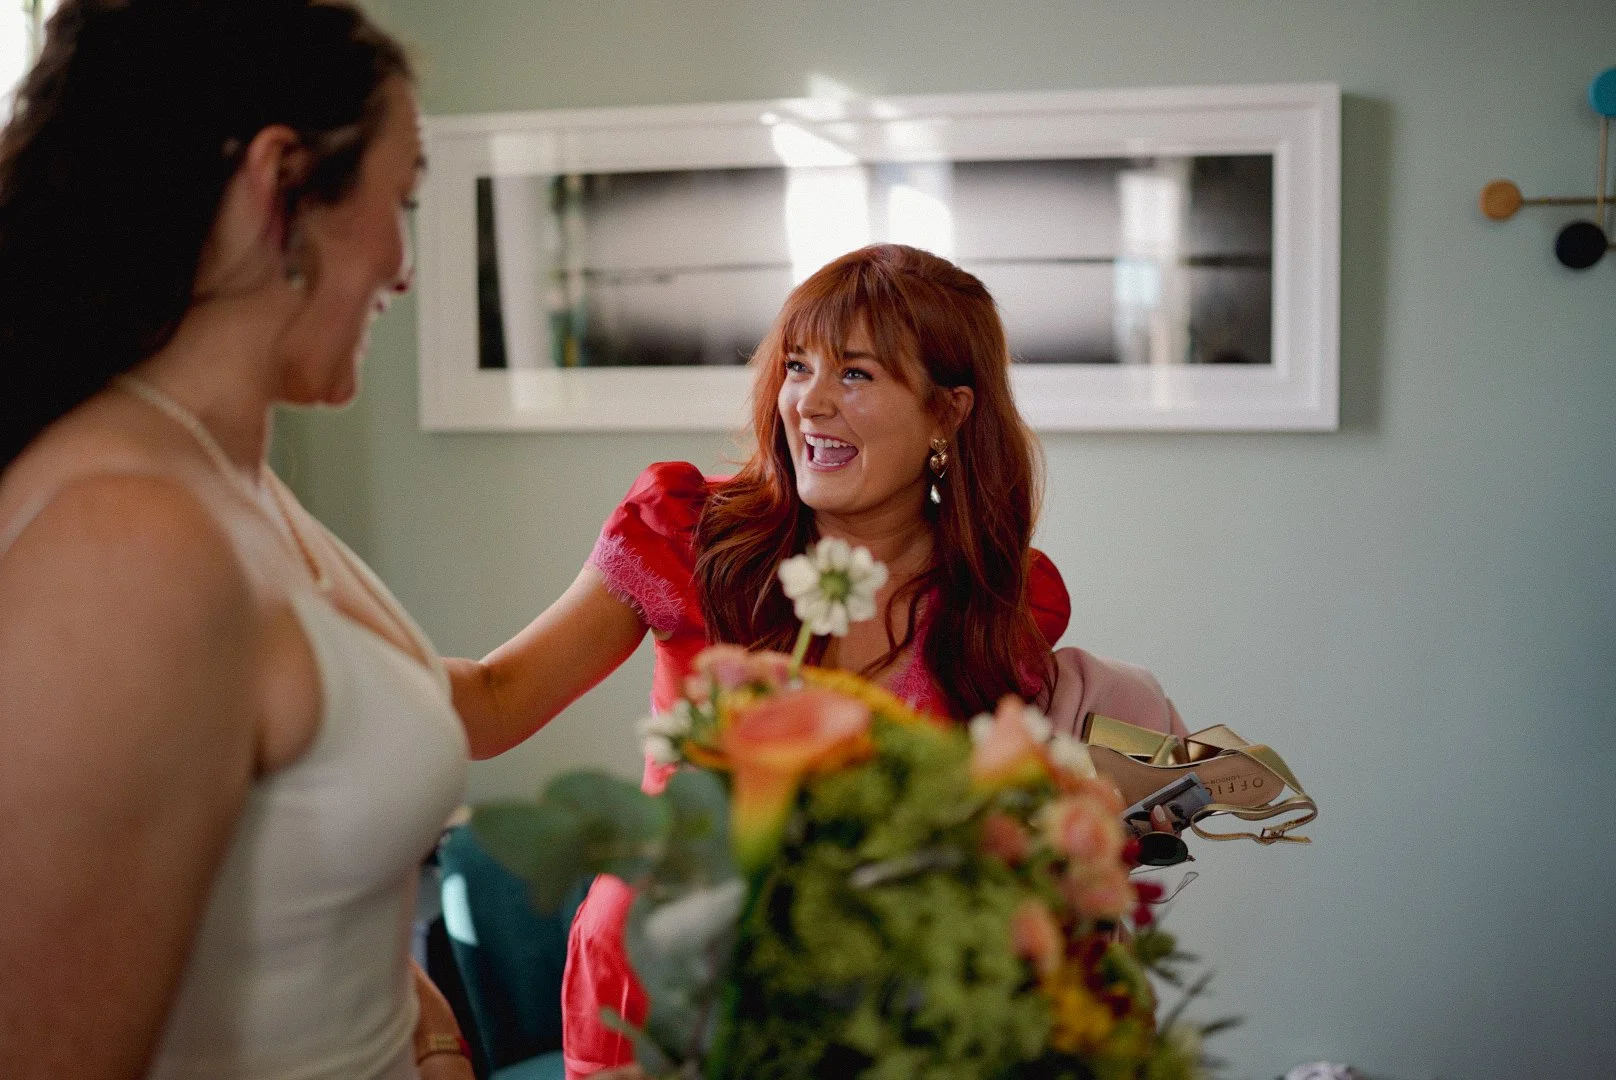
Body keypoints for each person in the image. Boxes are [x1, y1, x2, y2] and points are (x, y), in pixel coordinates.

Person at [447, 243, 1187, 1078]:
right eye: (798, 366)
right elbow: (494, 701)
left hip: (858, 1029)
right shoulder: (687, 536)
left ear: (948, 413)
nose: (810, 402)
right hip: (651, 1000)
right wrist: (340, 645)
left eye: (856, 374)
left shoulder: (997, 608)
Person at [0, 3, 475, 1077]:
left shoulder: (233, 477)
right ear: (280, 183)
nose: (403, 268)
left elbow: (285, 870)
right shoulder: (126, 545)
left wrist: (431, 1032)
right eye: (400, 201)